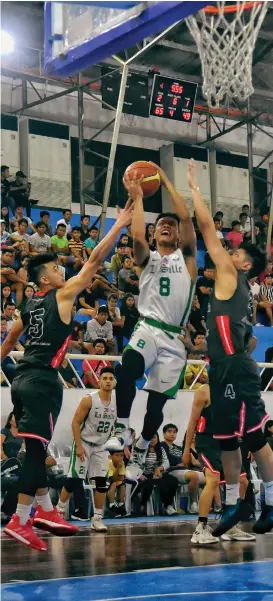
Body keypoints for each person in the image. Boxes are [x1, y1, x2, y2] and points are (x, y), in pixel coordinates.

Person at [0, 199, 133, 550]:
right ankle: (20, 518)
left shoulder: (27, 307)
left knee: (33, 447)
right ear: (48, 279)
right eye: (58, 268)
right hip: (43, 381)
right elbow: (94, 261)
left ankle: (45, 510)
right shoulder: (62, 295)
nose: (63, 271)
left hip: (21, 380)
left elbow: (11, 339)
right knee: (34, 456)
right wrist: (118, 224)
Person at [187, 158, 273, 536]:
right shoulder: (239, 292)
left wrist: (193, 189)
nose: (230, 252)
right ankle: (238, 503)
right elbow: (253, 337)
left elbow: (206, 227)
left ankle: (269, 501)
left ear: (245, 264)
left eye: (237, 252)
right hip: (224, 366)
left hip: (235, 368)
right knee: (226, 440)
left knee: (254, 436)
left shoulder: (230, 273)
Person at [106, 165, 197, 481]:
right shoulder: (146, 258)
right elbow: (137, 233)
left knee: (155, 409)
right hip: (148, 327)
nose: (168, 226)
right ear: (155, 233)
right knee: (127, 368)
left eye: (171, 225)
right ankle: (121, 426)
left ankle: (142, 448)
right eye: (162, 225)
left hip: (174, 340)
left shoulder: (186, 260)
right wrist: (137, 196)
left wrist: (165, 178)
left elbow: (186, 219)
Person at [183, 385, 256, 544]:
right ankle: (200, 528)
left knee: (243, 482)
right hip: (208, 441)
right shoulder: (204, 390)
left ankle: (230, 526)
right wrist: (186, 449)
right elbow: (193, 421)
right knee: (213, 480)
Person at [57, 367, 117, 531]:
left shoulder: (118, 403)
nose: (108, 381)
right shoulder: (89, 399)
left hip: (102, 446)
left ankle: (97, 519)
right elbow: (75, 423)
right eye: (104, 378)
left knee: (102, 483)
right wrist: (78, 446)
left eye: (111, 378)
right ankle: (59, 511)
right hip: (84, 443)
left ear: (115, 382)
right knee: (75, 479)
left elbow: (118, 426)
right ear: (99, 381)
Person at [133, 433, 179, 517]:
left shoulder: (160, 449)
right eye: (149, 438)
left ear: (157, 438)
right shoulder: (140, 450)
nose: (152, 440)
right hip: (144, 474)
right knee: (160, 483)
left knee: (173, 480)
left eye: (154, 437)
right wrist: (139, 474)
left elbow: (166, 463)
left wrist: (160, 468)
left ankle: (168, 505)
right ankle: (163, 506)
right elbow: (135, 464)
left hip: (157, 473)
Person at [160, 424, 199, 514]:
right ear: (164, 434)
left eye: (174, 432)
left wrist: (181, 462)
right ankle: (193, 504)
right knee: (194, 475)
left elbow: (184, 461)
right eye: (169, 432)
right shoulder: (162, 446)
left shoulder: (178, 448)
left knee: (209, 476)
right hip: (171, 471)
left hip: (182, 469)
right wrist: (180, 462)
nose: (172, 434)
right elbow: (169, 460)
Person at [108, 450, 126, 517]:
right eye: (117, 455)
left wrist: (116, 477)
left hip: (113, 481)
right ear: (111, 457)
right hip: (104, 481)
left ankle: (121, 505)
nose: (120, 457)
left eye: (122, 455)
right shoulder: (109, 463)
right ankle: (111, 506)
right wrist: (118, 468)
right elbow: (112, 478)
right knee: (113, 483)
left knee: (122, 485)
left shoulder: (122, 463)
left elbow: (122, 478)